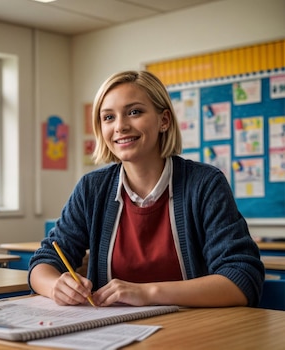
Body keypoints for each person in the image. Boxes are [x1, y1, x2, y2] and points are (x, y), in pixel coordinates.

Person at [29, 70, 264, 308]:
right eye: (108, 117)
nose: (120, 126)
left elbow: (242, 279)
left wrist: (147, 293)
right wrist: (55, 286)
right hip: (113, 333)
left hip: (191, 331)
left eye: (134, 112)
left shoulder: (205, 183)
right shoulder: (92, 188)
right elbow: (44, 262)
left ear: (164, 120)